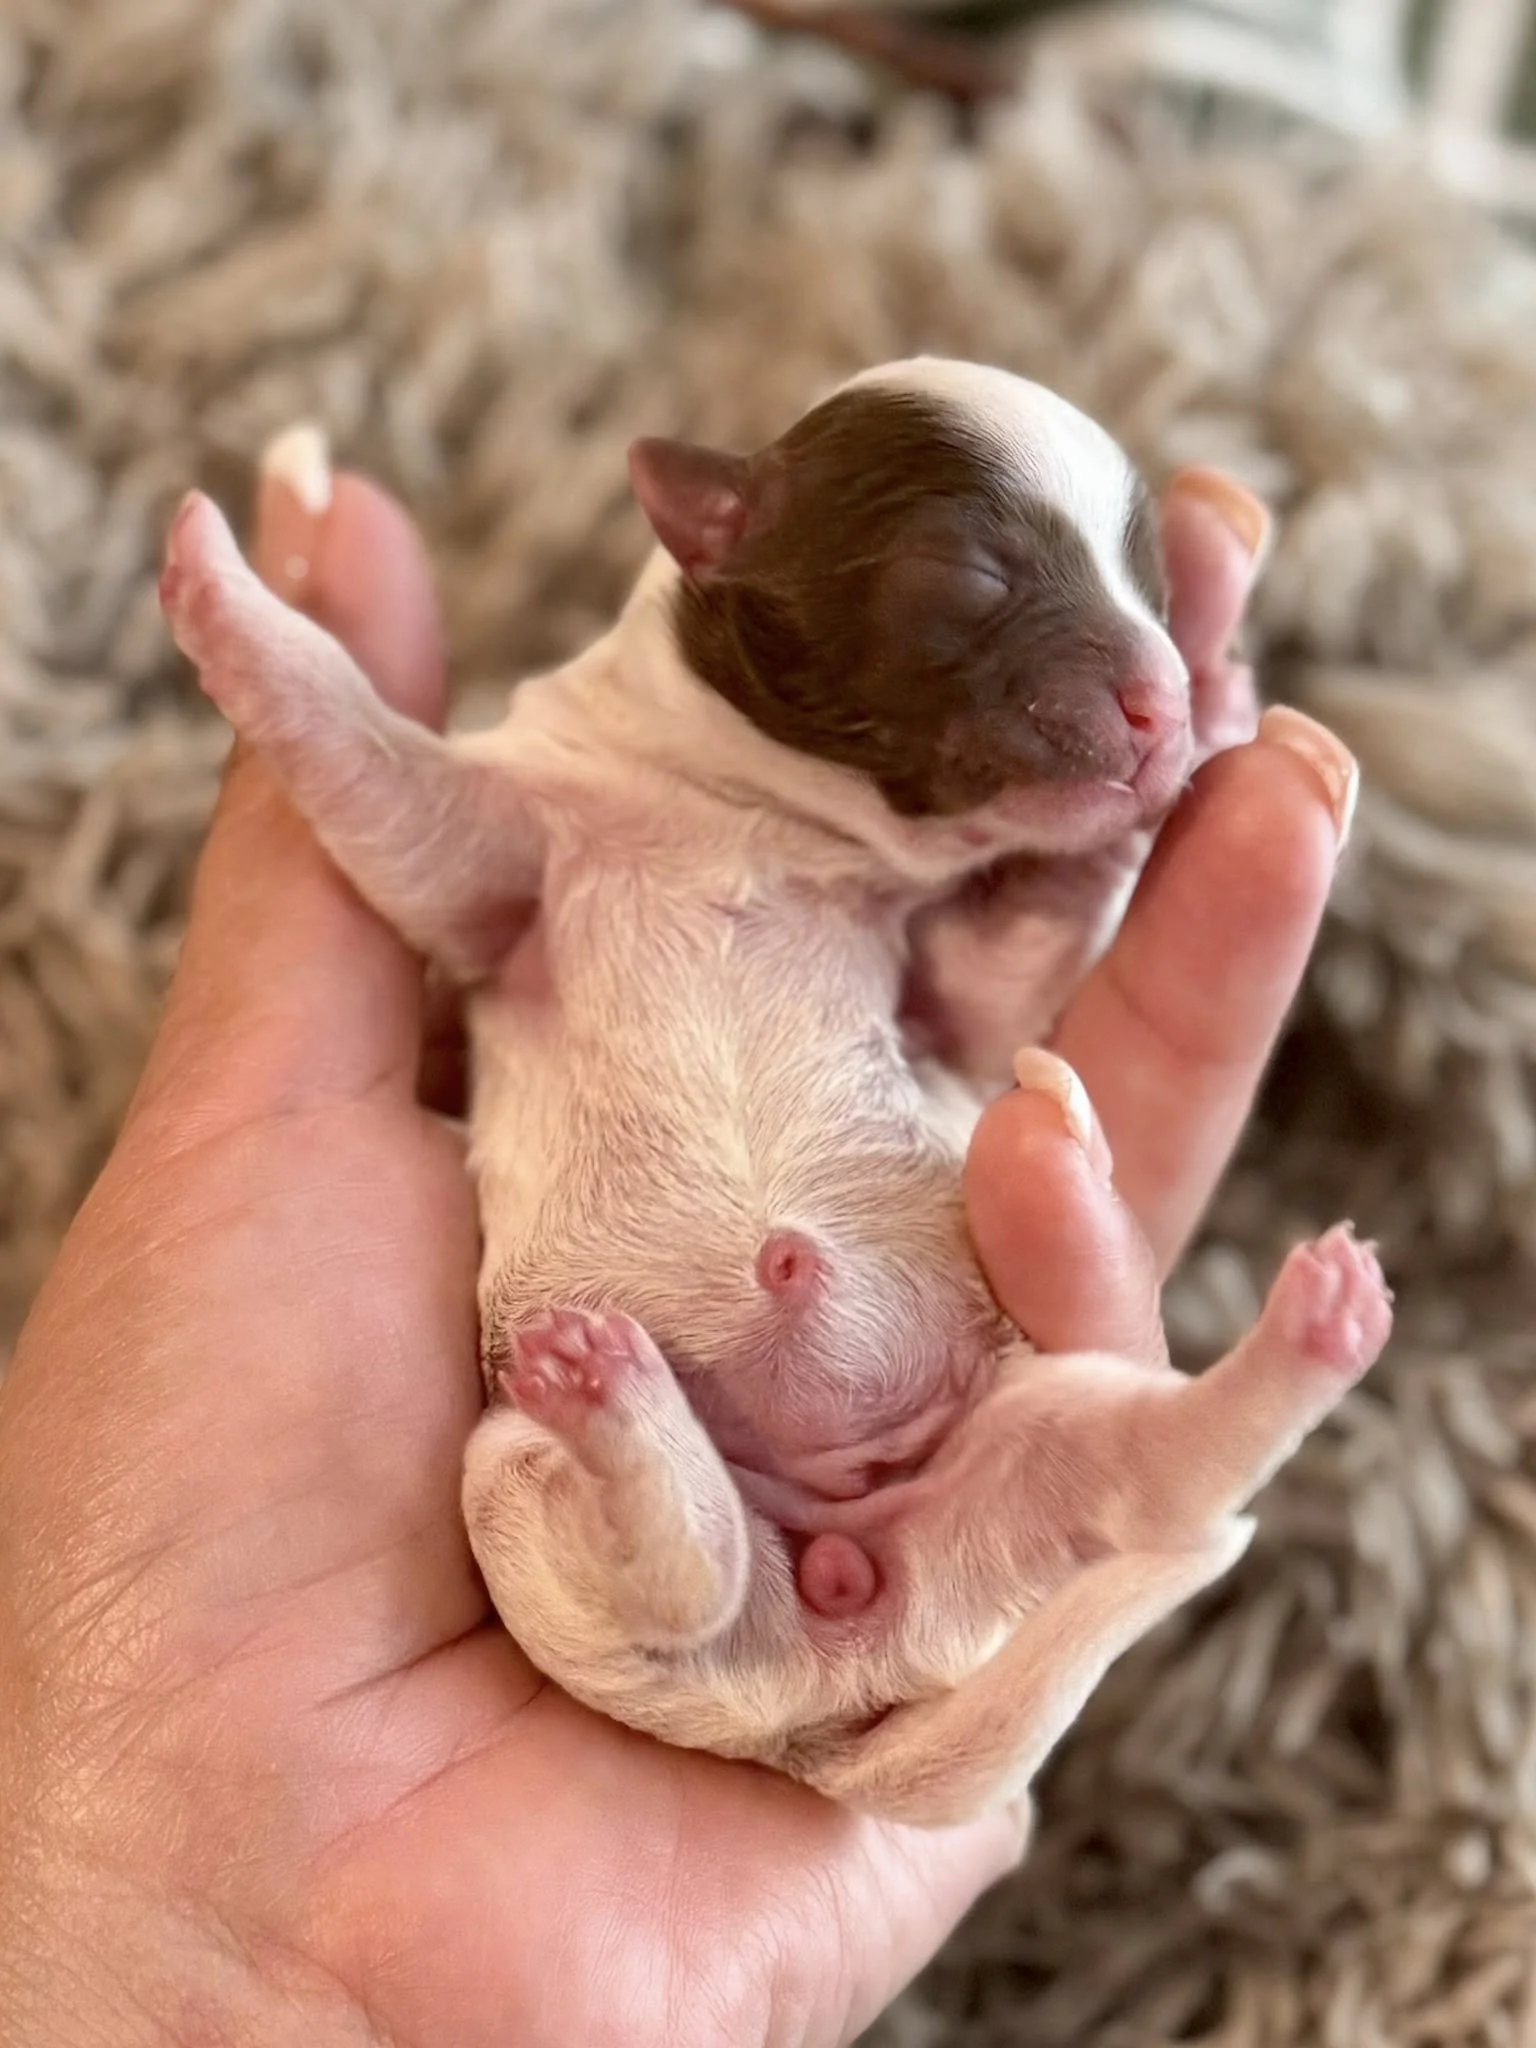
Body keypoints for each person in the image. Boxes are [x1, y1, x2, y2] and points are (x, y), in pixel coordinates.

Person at [0, 451, 1357, 2047]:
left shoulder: (896, 881)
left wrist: (1124, 827)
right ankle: (682, 1515)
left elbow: (1002, 988)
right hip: (681, 1597)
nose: (1121, 659)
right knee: (528, 1490)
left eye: (1132, 600)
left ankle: (1228, 1428)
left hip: (912, 1507)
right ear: (723, 552)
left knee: (1063, 1430)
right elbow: (392, 787)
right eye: (985, 589)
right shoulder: (563, 808)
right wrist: (254, 644)